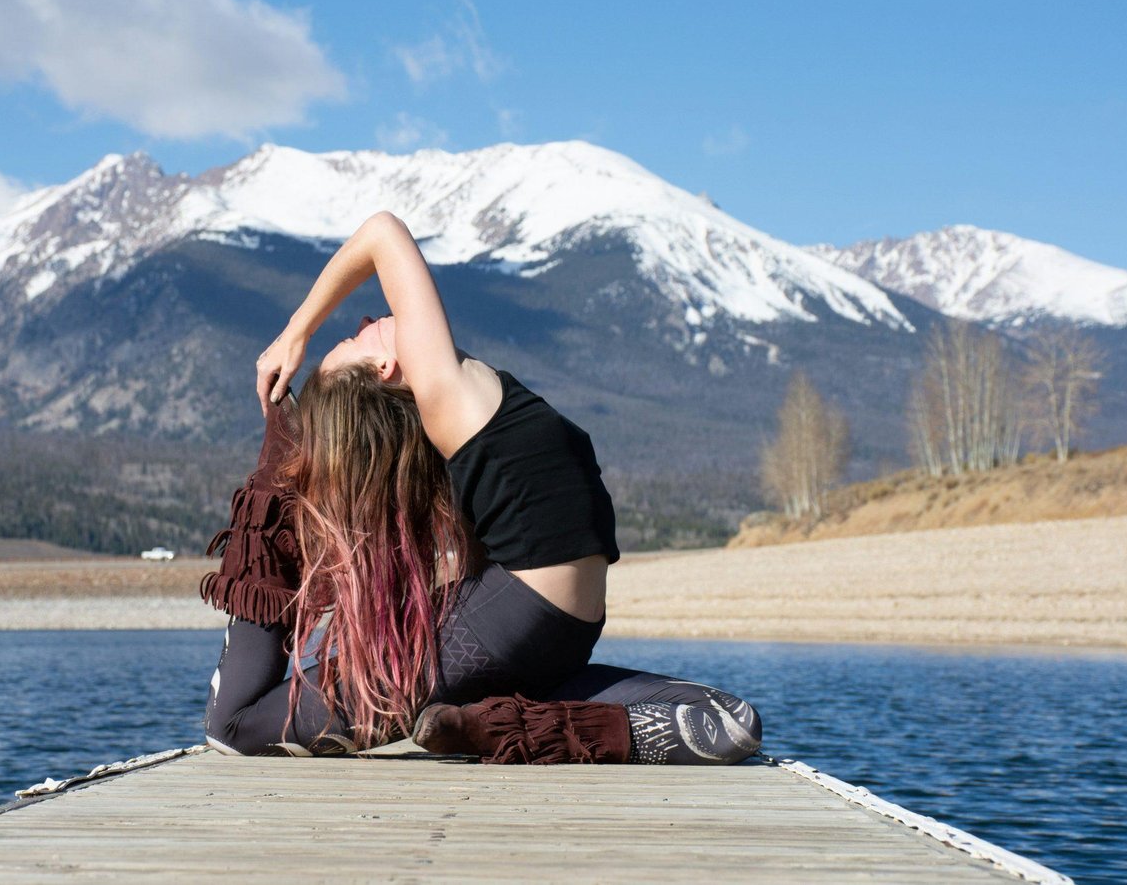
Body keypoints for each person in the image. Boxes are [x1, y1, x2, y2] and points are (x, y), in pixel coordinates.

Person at [202, 211, 761, 765]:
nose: (371, 315)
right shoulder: (447, 395)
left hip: (545, 635)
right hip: (509, 624)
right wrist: (295, 334)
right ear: (386, 366)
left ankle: (492, 726)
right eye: (356, 335)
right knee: (235, 728)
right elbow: (382, 233)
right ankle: (488, 724)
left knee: (732, 721)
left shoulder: (467, 402)